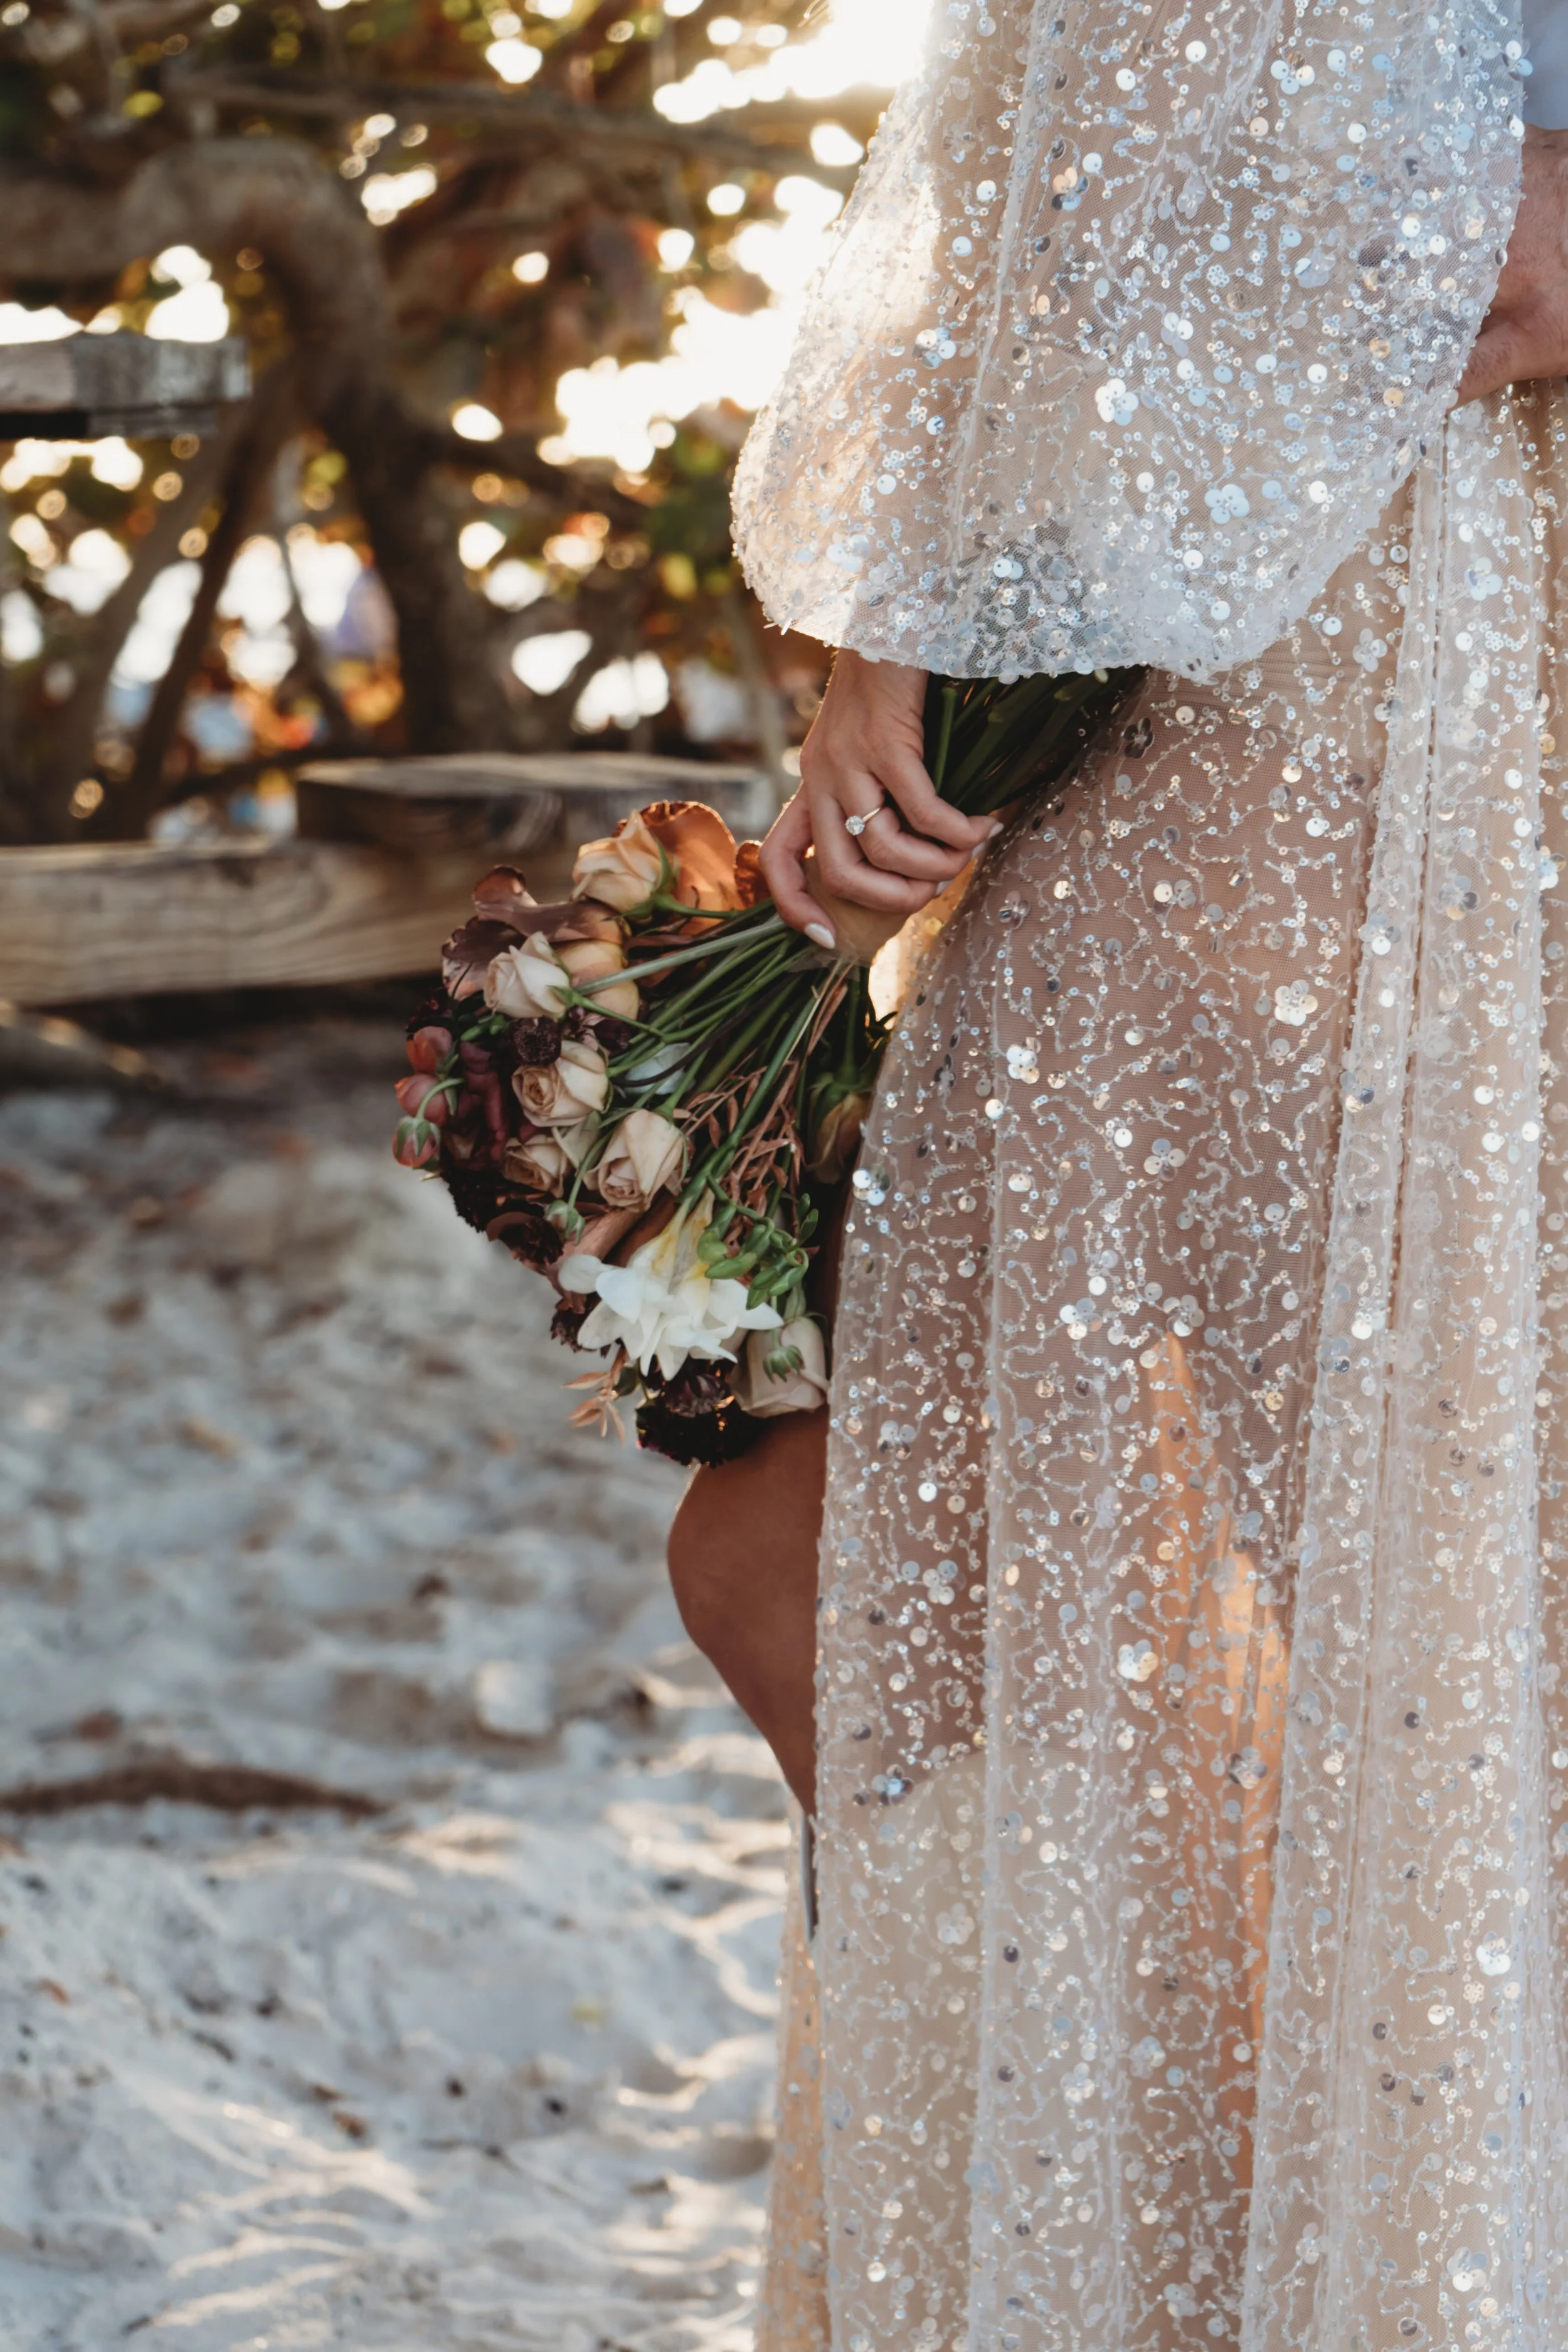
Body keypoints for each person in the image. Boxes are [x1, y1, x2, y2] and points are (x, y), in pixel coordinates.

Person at [672, 3, 1568, 2345]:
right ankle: (1160, 2254)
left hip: (1432, 736)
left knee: (1427, 1608)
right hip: (1093, 758)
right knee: (809, 1562)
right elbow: (999, 217)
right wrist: (879, 657)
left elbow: (1471, 262)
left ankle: (1380, 2261)